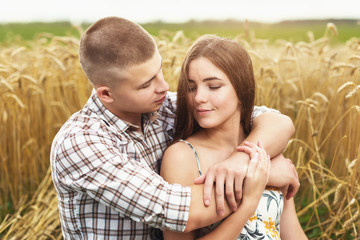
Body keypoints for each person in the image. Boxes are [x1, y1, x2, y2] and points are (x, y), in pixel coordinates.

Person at [50, 16, 299, 239]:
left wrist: (240, 161)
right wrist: (262, 175)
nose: (164, 86)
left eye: (159, 71)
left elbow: (275, 121)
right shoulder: (80, 142)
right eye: (147, 83)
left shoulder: (164, 106)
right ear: (106, 93)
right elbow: (179, 211)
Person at [160, 35, 307, 239]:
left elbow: (291, 232)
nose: (199, 98)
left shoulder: (264, 147)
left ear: (241, 89)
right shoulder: (182, 157)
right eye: (191, 88)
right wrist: (248, 201)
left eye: (213, 86)